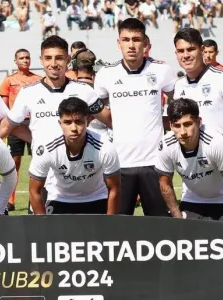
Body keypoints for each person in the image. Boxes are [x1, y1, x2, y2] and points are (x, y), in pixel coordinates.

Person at [94, 18, 176, 216]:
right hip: (119, 164)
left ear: (145, 43)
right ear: (118, 43)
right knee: (118, 229)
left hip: (155, 163)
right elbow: (95, 106)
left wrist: (167, 123)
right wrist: (113, 122)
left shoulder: (162, 70)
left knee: (159, 227)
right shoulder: (106, 74)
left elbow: (176, 102)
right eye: (126, 39)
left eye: (136, 39)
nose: (131, 45)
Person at [0, 35, 110, 150]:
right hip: (43, 166)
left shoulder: (83, 90)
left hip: (79, 166)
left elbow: (110, 120)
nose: (53, 63)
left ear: (68, 59)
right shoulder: (28, 92)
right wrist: (36, 140)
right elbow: (7, 126)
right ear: (41, 60)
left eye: (59, 58)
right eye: (48, 58)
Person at [29, 97, 121, 215]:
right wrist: (43, 225)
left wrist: (111, 223)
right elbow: (34, 191)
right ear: (60, 123)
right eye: (67, 122)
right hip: (60, 198)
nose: (73, 128)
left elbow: (114, 188)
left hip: (95, 197)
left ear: (88, 121)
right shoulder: (46, 148)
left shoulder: (105, 147)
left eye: (79, 122)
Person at [155, 98, 223, 221]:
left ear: (199, 122)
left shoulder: (216, 143)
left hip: (221, 199)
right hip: (192, 198)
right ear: (170, 125)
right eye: (177, 126)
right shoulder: (166, 145)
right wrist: (178, 218)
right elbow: (165, 183)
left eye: (188, 124)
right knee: (185, 237)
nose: (183, 132)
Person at [0, 49, 41, 211]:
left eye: (27, 58)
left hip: (33, 124)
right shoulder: (8, 81)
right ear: (15, 61)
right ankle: (10, 200)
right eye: (21, 58)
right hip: (16, 125)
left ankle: (34, 199)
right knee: (13, 163)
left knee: (37, 161)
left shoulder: (38, 80)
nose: (25, 60)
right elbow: (3, 106)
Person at [174, 29, 223, 134]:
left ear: (202, 50)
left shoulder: (220, 78)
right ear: (176, 53)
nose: (186, 55)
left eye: (191, 49)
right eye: (181, 51)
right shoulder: (178, 86)